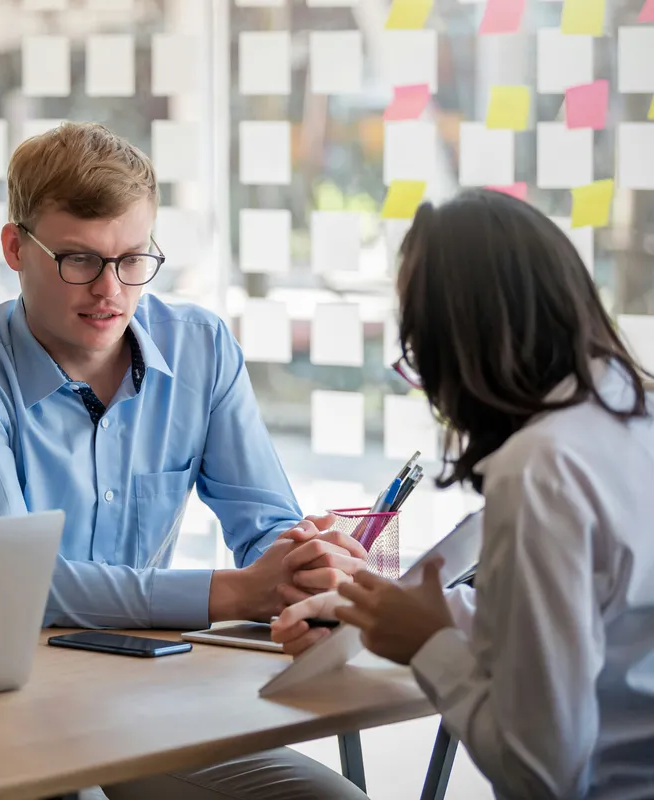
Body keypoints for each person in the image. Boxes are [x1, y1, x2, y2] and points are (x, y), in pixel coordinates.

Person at [0, 122, 369, 798]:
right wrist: (238, 592)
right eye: (79, 260)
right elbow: (14, 587)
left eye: (132, 260)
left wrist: (303, 565)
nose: (110, 291)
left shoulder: (200, 349)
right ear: (15, 248)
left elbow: (265, 521)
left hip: (142, 704)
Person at [271, 189, 654, 798]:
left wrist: (430, 645)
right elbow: (591, 629)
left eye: (422, 352)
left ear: (463, 346)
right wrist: (419, 613)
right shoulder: (632, 418)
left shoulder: (541, 469)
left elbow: (541, 774)